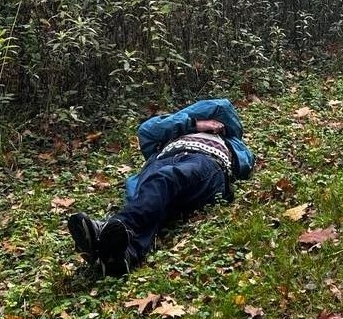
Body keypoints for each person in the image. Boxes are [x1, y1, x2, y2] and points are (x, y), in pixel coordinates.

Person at [68, 98, 255, 277]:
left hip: (205, 161)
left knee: (165, 178)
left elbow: (221, 106)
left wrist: (215, 128)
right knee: (156, 196)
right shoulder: (176, 131)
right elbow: (147, 130)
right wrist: (194, 124)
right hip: (163, 160)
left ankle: (111, 227)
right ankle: (122, 257)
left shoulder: (232, 141)